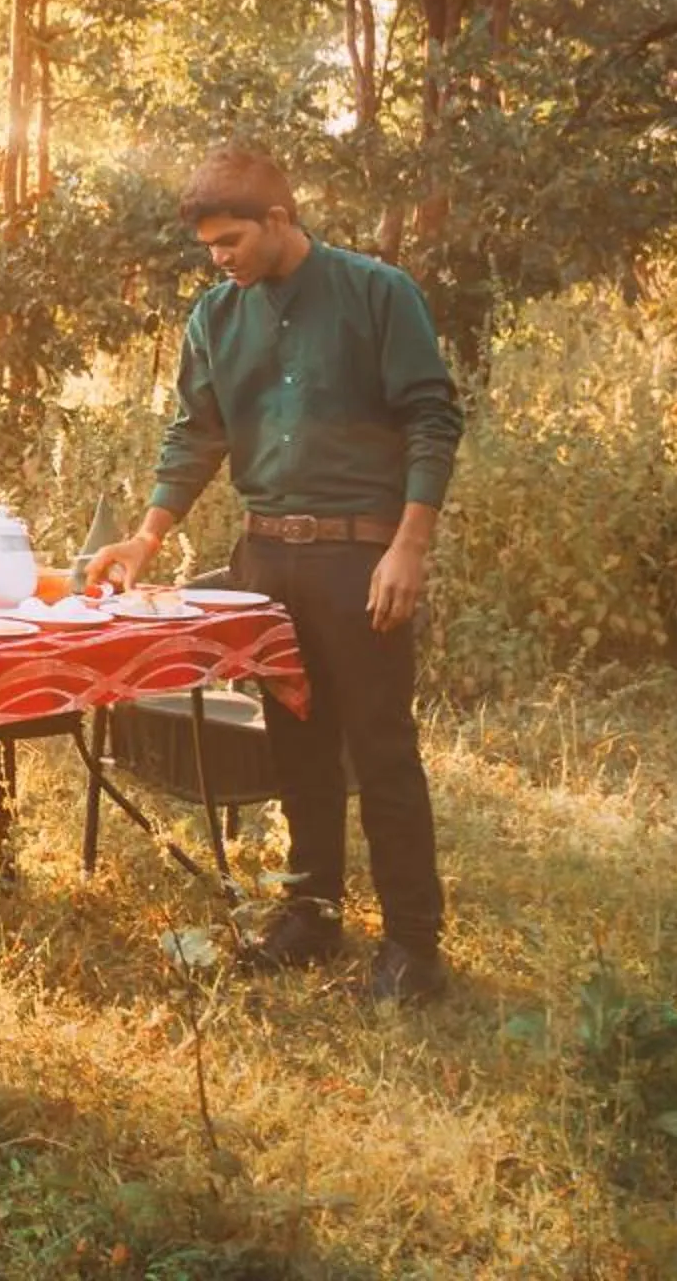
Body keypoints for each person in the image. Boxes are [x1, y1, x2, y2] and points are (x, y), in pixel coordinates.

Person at [87, 144, 465, 1003]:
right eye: (209, 248)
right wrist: (145, 540)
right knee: (296, 741)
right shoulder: (216, 319)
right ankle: (311, 917)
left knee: (380, 749)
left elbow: (432, 420)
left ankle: (414, 949)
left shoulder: (377, 293)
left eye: (231, 242)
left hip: (361, 557)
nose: (220, 260)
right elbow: (196, 437)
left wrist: (409, 545)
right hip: (267, 559)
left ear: (280, 220)